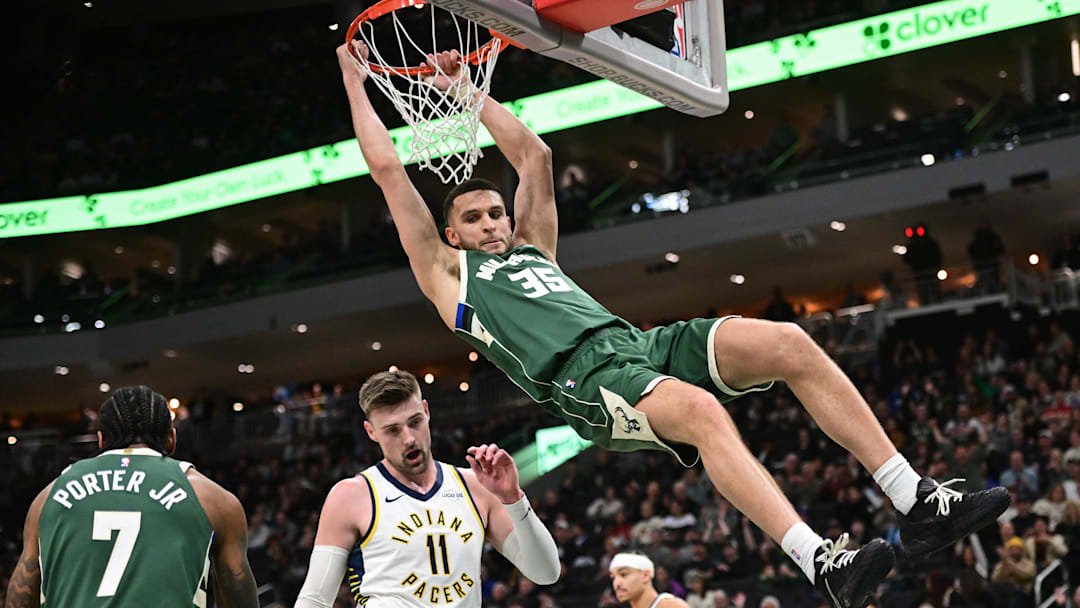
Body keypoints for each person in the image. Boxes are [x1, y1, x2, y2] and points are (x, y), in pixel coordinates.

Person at [335, 40, 1008, 608]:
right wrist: (355, 80)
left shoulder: (534, 246)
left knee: (789, 341)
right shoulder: (447, 276)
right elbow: (390, 171)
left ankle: (914, 499)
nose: (489, 222)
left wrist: (467, 90)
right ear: (450, 233)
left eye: (494, 212)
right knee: (704, 412)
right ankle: (821, 564)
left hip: (636, 342)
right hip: (584, 380)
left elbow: (534, 158)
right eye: (473, 218)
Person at [293, 369, 559, 607]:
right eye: (392, 430)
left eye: (415, 422)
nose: (408, 438)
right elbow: (315, 599)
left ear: (427, 411)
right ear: (371, 432)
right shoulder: (351, 495)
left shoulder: (475, 487)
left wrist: (513, 499)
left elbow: (546, 572)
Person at [4, 385, 257, 607]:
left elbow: (20, 599)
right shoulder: (214, 499)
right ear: (171, 439)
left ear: (101, 440)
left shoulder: (48, 497)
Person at [609, 553, 691, 608]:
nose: (616, 583)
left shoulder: (670, 605)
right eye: (613, 578)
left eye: (624, 574)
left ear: (645, 575)